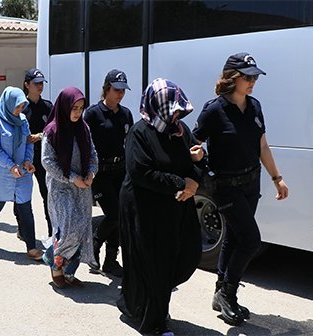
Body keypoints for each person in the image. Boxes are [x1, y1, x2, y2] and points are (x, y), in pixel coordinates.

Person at [193, 52, 289, 325]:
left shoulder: (255, 106)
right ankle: (228, 294)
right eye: (247, 77)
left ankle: (219, 292)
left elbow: (262, 146)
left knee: (235, 239)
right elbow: (193, 142)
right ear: (232, 78)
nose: (252, 82)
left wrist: (277, 178)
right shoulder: (214, 110)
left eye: (255, 77)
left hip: (251, 184)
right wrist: (197, 155)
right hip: (226, 187)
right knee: (251, 241)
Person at [117, 78, 203, 335]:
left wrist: (195, 177)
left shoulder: (180, 130)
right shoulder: (140, 133)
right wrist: (181, 182)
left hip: (176, 208)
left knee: (185, 256)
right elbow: (140, 172)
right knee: (155, 266)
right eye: (173, 108)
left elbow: (194, 159)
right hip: (146, 209)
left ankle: (142, 303)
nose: (178, 113)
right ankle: (154, 322)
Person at [40, 87, 98, 288]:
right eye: (74, 108)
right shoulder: (52, 131)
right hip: (61, 187)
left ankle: (69, 272)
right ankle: (54, 265)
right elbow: (47, 162)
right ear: (64, 106)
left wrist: (91, 172)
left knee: (81, 230)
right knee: (67, 230)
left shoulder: (84, 128)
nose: (77, 112)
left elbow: (92, 154)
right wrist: (73, 178)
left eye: (81, 108)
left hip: (82, 187)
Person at [0, 86, 43, 260]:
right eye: (17, 106)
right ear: (8, 103)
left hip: (22, 172)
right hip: (2, 171)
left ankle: (31, 247)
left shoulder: (22, 120)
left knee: (25, 207)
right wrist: (10, 166)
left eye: (22, 106)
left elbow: (29, 142)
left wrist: (28, 161)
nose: (20, 110)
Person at [83, 69, 134, 277]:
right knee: (113, 214)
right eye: (116, 89)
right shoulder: (93, 114)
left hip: (120, 171)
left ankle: (111, 260)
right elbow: (85, 145)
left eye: (123, 90)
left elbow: (129, 143)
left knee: (121, 216)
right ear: (106, 89)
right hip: (100, 173)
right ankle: (95, 244)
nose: (120, 94)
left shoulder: (126, 114)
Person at [21, 68, 54, 237]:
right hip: (23, 158)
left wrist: (40, 136)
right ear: (27, 85)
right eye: (36, 84)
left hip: (43, 158)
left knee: (47, 195)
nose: (40, 86)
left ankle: (52, 233)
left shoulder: (48, 107)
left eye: (41, 83)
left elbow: (56, 129)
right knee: (21, 196)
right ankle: (23, 229)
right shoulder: (20, 107)